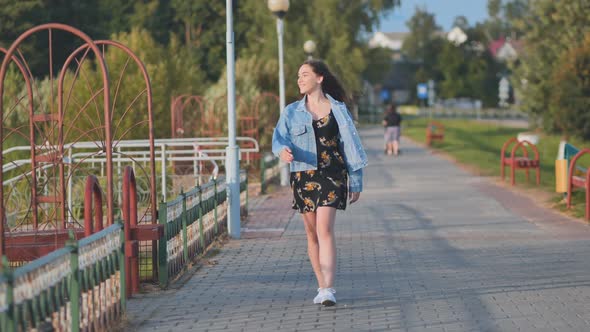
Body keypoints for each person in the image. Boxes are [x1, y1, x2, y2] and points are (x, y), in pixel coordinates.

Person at [272, 60, 368, 306]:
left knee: (324, 229)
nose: (300, 79)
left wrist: (355, 181)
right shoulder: (291, 111)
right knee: (312, 233)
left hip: (332, 175)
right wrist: (282, 151)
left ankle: (328, 288)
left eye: (305, 74)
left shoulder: (338, 109)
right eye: (298, 76)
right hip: (303, 176)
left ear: (320, 78)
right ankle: (320, 284)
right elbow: (278, 139)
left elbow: (351, 148)